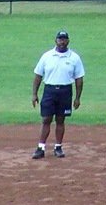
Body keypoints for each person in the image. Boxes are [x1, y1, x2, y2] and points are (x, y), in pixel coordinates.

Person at [31, 30, 84, 159]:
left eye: (64, 39)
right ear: (56, 41)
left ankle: (58, 147)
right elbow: (38, 75)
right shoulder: (47, 56)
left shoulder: (74, 58)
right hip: (49, 90)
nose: (62, 42)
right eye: (60, 39)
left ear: (68, 41)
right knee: (46, 119)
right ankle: (41, 147)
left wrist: (77, 98)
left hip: (65, 91)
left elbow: (79, 79)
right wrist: (34, 94)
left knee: (61, 120)